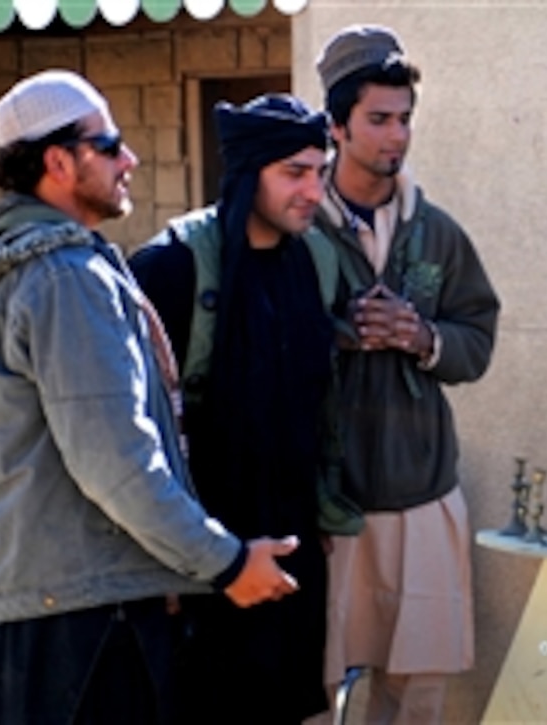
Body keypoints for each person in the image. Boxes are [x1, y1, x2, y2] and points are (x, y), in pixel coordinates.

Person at [0, 70, 300, 725]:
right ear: (58, 161)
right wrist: (227, 562)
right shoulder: (65, 279)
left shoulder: (11, 269)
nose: (131, 159)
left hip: (21, 617)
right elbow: (116, 462)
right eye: (110, 144)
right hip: (85, 632)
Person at [129, 94, 343, 724]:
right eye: (295, 173)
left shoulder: (314, 259)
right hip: (201, 562)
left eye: (320, 172)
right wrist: (167, 564)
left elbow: (316, 399)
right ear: (250, 173)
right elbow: (135, 432)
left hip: (292, 554)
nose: (313, 190)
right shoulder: (172, 267)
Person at [312, 24, 500, 723]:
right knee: (310, 689)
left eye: (405, 119)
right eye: (379, 120)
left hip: (422, 494)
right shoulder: (298, 228)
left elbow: (478, 340)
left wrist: (422, 337)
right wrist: (339, 333)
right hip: (324, 502)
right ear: (336, 125)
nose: (397, 136)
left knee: (415, 695)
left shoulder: (438, 232)